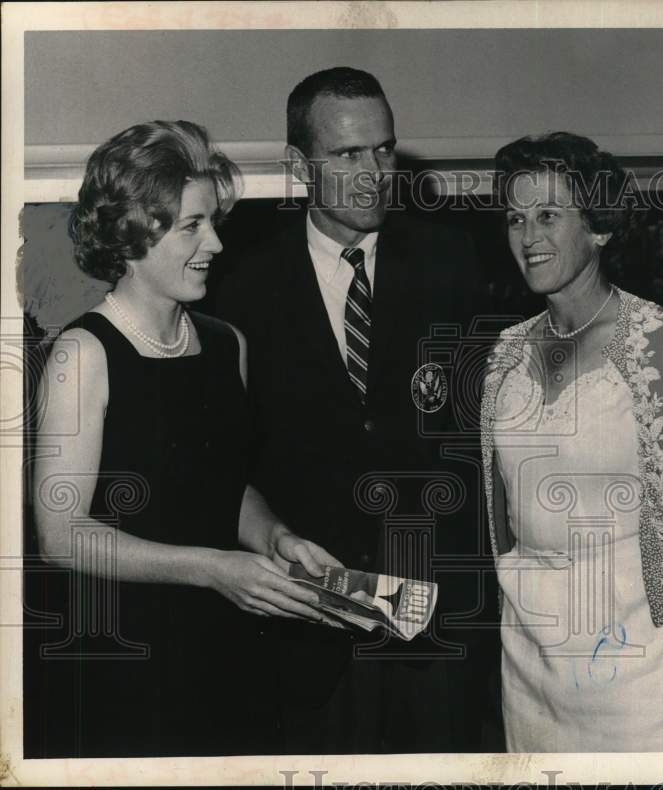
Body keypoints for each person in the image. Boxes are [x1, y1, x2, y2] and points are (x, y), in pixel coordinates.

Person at [25, 121, 338, 758]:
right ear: (131, 234)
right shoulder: (83, 354)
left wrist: (277, 537)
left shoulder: (227, 345)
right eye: (191, 226)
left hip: (225, 645)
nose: (217, 244)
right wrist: (211, 567)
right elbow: (61, 537)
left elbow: (225, 485)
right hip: (122, 656)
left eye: (212, 221)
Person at [215, 67, 498, 753]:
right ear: (297, 165)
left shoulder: (457, 264)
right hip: (301, 635)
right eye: (348, 154)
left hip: (437, 634)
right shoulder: (237, 287)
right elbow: (224, 464)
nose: (374, 171)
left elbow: (488, 443)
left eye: (384, 150)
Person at [482, 132, 663, 751]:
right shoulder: (504, 356)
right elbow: (500, 510)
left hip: (640, 653)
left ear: (599, 227)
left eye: (549, 215)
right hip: (531, 651)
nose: (527, 237)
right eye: (516, 218)